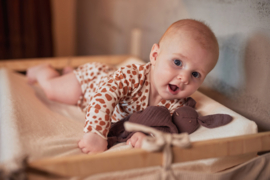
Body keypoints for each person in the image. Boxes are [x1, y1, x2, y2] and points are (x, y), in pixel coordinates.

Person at [26, 19, 219, 154]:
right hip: (90, 84)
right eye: (177, 62)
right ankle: (44, 71)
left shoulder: (178, 103)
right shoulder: (134, 75)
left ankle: (68, 73)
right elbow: (105, 95)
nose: (184, 78)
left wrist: (148, 136)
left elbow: (166, 127)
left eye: (195, 74)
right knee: (52, 91)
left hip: (104, 82)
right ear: (154, 56)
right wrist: (96, 132)